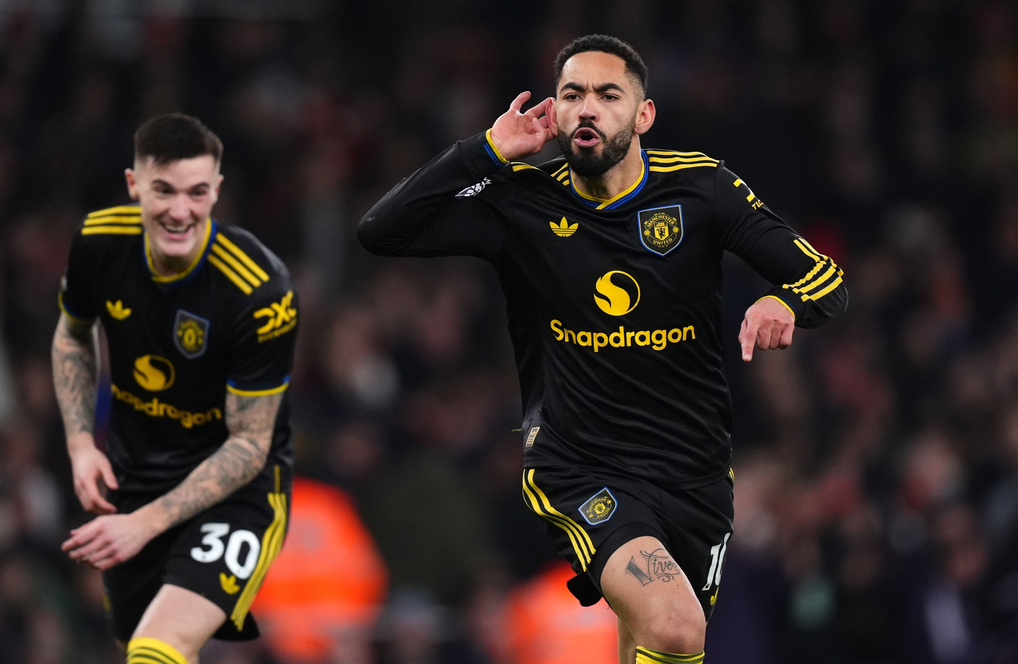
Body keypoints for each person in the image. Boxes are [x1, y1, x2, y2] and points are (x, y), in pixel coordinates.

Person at [358, 34, 848, 664]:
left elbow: (825, 281)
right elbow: (382, 230)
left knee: (650, 641)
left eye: (608, 95)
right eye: (572, 94)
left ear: (643, 115)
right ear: (554, 112)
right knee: (676, 626)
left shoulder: (701, 189)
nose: (587, 107)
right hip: (581, 465)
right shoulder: (521, 200)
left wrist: (787, 303)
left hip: (694, 474)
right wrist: (485, 151)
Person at [51, 113, 299, 664]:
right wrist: (80, 444)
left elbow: (250, 444)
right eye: (163, 190)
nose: (180, 211)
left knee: (156, 649)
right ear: (134, 184)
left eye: (196, 193)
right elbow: (73, 333)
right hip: (135, 479)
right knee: (141, 651)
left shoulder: (260, 290)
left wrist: (143, 526)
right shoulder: (98, 241)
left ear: (217, 191)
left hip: (238, 491)